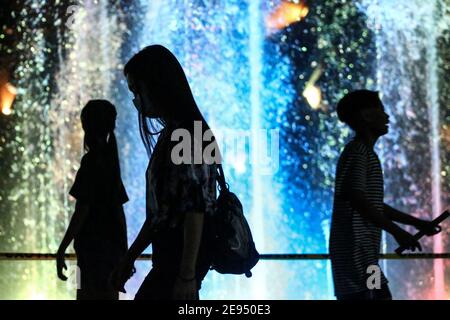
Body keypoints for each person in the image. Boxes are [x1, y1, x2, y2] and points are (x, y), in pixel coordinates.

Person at [111, 45, 219, 300]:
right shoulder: (174, 133)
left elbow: (195, 208)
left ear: (157, 86)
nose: (135, 99)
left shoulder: (185, 134)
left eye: (137, 90)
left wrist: (187, 274)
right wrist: (129, 257)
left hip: (179, 260)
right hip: (173, 259)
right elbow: (160, 214)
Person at [329, 90, 440, 300]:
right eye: (381, 110)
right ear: (366, 115)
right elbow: (358, 199)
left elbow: (372, 203)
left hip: (365, 256)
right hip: (354, 254)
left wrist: (416, 223)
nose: (387, 116)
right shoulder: (358, 152)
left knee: (380, 297)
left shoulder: (364, 153)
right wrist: (397, 231)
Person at [56, 100, 129, 300]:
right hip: (111, 252)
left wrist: (62, 248)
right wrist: (125, 252)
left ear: (85, 125)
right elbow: (119, 211)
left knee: (85, 295)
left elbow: (82, 210)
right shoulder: (111, 162)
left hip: (91, 253)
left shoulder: (91, 162)